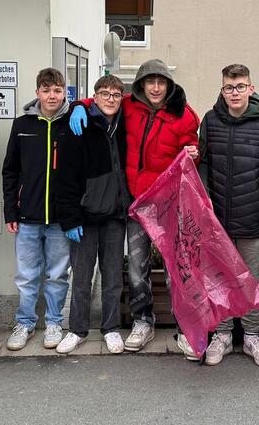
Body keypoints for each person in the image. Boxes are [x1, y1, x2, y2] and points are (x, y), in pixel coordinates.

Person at [69, 59, 199, 356]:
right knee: (138, 269)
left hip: (168, 206)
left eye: (161, 82)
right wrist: (78, 106)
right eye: (150, 81)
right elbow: (102, 100)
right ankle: (143, 321)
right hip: (137, 204)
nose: (156, 88)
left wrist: (195, 152)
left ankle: (185, 328)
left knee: (175, 270)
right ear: (141, 85)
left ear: (169, 85)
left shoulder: (184, 114)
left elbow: (192, 149)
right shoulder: (129, 105)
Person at [196, 64, 259, 368]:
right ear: (222, 90)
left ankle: (252, 336)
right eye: (229, 87)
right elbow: (203, 164)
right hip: (217, 218)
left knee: (250, 280)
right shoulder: (210, 120)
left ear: (250, 89)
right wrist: (206, 204)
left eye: (240, 86)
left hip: (251, 219)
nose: (235, 92)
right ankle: (222, 334)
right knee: (219, 277)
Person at [55, 75, 130, 355]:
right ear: (95, 97)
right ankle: (77, 330)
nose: (111, 99)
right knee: (82, 278)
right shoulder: (80, 124)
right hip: (85, 217)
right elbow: (65, 176)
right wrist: (70, 218)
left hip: (114, 215)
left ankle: (111, 328)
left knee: (113, 278)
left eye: (116, 94)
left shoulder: (126, 124)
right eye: (105, 94)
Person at [1, 67, 72, 351]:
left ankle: (54, 322)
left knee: (57, 275)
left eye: (57, 90)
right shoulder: (22, 125)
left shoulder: (72, 123)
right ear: (37, 93)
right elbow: (10, 170)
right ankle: (25, 323)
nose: (52, 95)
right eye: (46, 90)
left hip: (60, 218)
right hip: (27, 215)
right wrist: (10, 210)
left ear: (64, 93)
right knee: (27, 275)